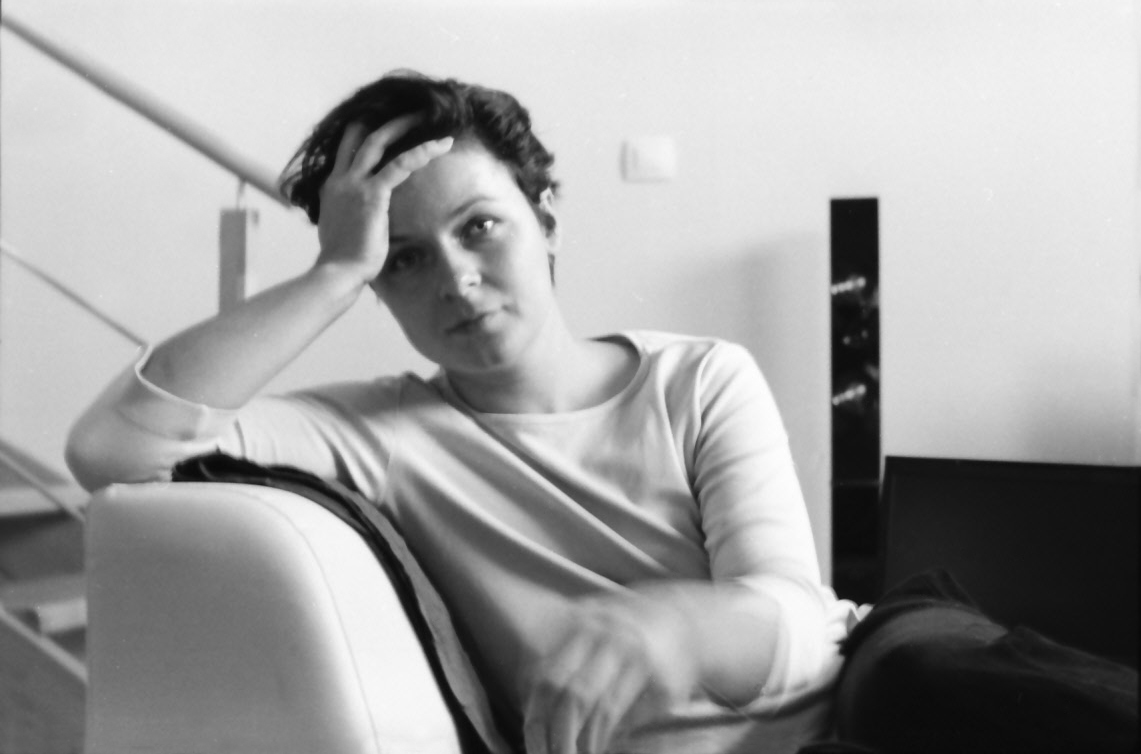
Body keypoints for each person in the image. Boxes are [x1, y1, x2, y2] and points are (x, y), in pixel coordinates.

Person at [67, 71, 1136, 754]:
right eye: (404, 260)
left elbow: (799, 619)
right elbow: (113, 446)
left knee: (944, 677)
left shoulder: (698, 376)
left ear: (544, 219)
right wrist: (333, 270)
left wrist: (668, 624)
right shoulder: (370, 435)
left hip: (865, 669)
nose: (455, 279)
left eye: (481, 227)